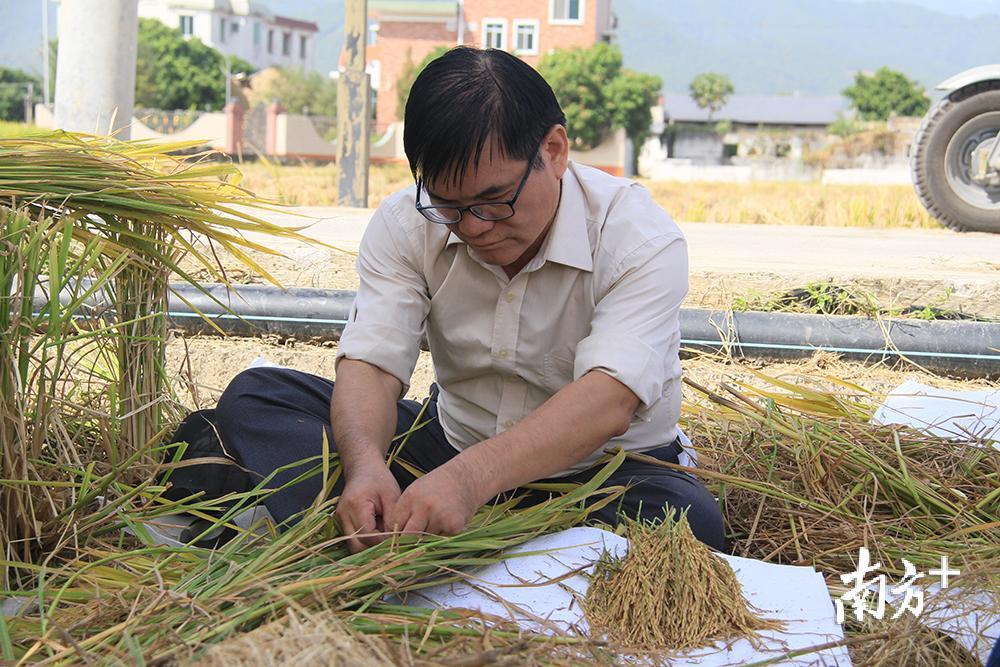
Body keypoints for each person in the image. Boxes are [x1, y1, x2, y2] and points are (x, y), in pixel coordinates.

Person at [180, 46, 726, 554]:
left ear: (554, 151)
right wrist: (366, 464)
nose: (474, 227)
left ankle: (332, 530)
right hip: (448, 448)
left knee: (691, 524)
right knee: (262, 395)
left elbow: (607, 402)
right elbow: (372, 362)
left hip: (603, 476)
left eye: (494, 200)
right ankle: (380, 519)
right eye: (447, 205)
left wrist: (472, 480)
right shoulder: (405, 224)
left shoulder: (638, 237)